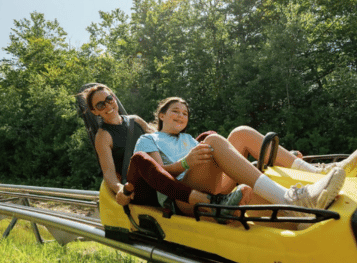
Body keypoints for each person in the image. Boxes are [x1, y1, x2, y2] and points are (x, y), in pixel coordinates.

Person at [134, 97, 357, 212]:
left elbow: (219, 163)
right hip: (184, 196)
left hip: (210, 186)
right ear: (161, 115)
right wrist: (185, 162)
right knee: (214, 140)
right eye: (175, 111)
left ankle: (316, 172)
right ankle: (288, 198)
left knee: (241, 133)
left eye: (185, 113)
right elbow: (158, 174)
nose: (181, 116)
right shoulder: (149, 139)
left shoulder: (187, 138)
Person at [79, 84, 252, 214]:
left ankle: (238, 172)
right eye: (101, 105)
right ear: (95, 112)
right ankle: (212, 201)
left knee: (209, 137)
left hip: (159, 174)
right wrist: (121, 190)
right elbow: (109, 173)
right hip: (139, 182)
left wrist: (185, 141)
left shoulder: (135, 120)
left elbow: (160, 137)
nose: (108, 106)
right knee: (142, 159)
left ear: (114, 99)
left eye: (109, 99)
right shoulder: (103, 136)